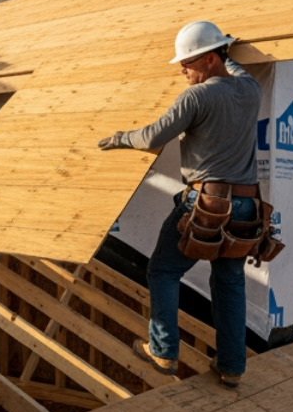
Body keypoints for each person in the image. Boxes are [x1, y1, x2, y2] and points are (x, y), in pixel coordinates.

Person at [99, 21, 261, 388]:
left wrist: (121, 138)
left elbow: (154, 135)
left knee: (163, 270)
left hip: (205, 206)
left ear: (207, 60)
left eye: (187, 63)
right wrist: (227, 52)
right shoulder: (250, 90)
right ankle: (232, 367)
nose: (182, 70)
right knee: (230, 281)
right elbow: (234, 68)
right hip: (247, 207)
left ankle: (163, 351)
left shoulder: (197, 98)